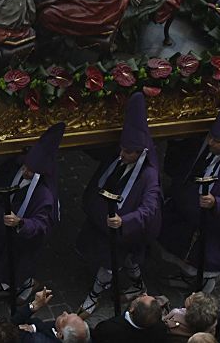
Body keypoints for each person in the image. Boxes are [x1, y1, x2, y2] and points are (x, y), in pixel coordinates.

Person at [77, 93, 162, 317]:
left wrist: (125, 221)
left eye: (128, 152)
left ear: (141, 152)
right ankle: (137, 285)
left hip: (127, 229)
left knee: (110, 263)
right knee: (128, 260)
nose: (122, 154)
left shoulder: (149, 175)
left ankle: (94, 296)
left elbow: (149, 208)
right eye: (122, 149)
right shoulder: (119, 157)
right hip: (106, 223)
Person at [160, 82, 220, 294]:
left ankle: (202, 293)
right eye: (210, 137)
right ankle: (186, 278)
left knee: (208, 265)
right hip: (192, 220)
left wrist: (217, 203)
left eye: (216, 141)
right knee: (188, 255)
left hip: (214, 227)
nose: (210, 143)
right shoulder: (208, 152)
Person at [0, 122, 64, 303]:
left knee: (15, 267)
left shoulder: (44, 195)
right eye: (26, 167)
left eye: (31, 171)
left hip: (22, 239)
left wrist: (21, 223)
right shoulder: (15, 167)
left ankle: (24, 284)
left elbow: (41, 223)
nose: (26, 172)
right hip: (0, 226)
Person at [12, 287, 90, 342]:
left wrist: (33, 305)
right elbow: (49, 327)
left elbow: (8, 330)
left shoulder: (36, 340)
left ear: (60, 335)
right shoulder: (77, 339)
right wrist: (34, 327)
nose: (64, 313)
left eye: (64, 319)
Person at [92, 294, 169, 342]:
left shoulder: (108, 329)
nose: (144, 294)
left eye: (139, 299)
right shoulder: (161, 330)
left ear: (132, 308)